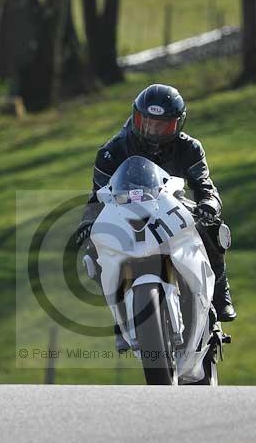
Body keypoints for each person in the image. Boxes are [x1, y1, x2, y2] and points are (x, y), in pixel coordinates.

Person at [75, 83, 236, 350]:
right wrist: (87, 224)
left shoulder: (190, 148)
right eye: (146, 122)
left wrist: (208, 203)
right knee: (94, 251)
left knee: (214, 230)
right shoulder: (111, 151)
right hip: (125, 213)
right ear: (135, 117)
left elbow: (205, 185)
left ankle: (220, 296)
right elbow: (96, 198)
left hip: (173, 207)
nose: (153, 130)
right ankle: (120, 316)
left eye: (163, 125)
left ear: (178, 124)